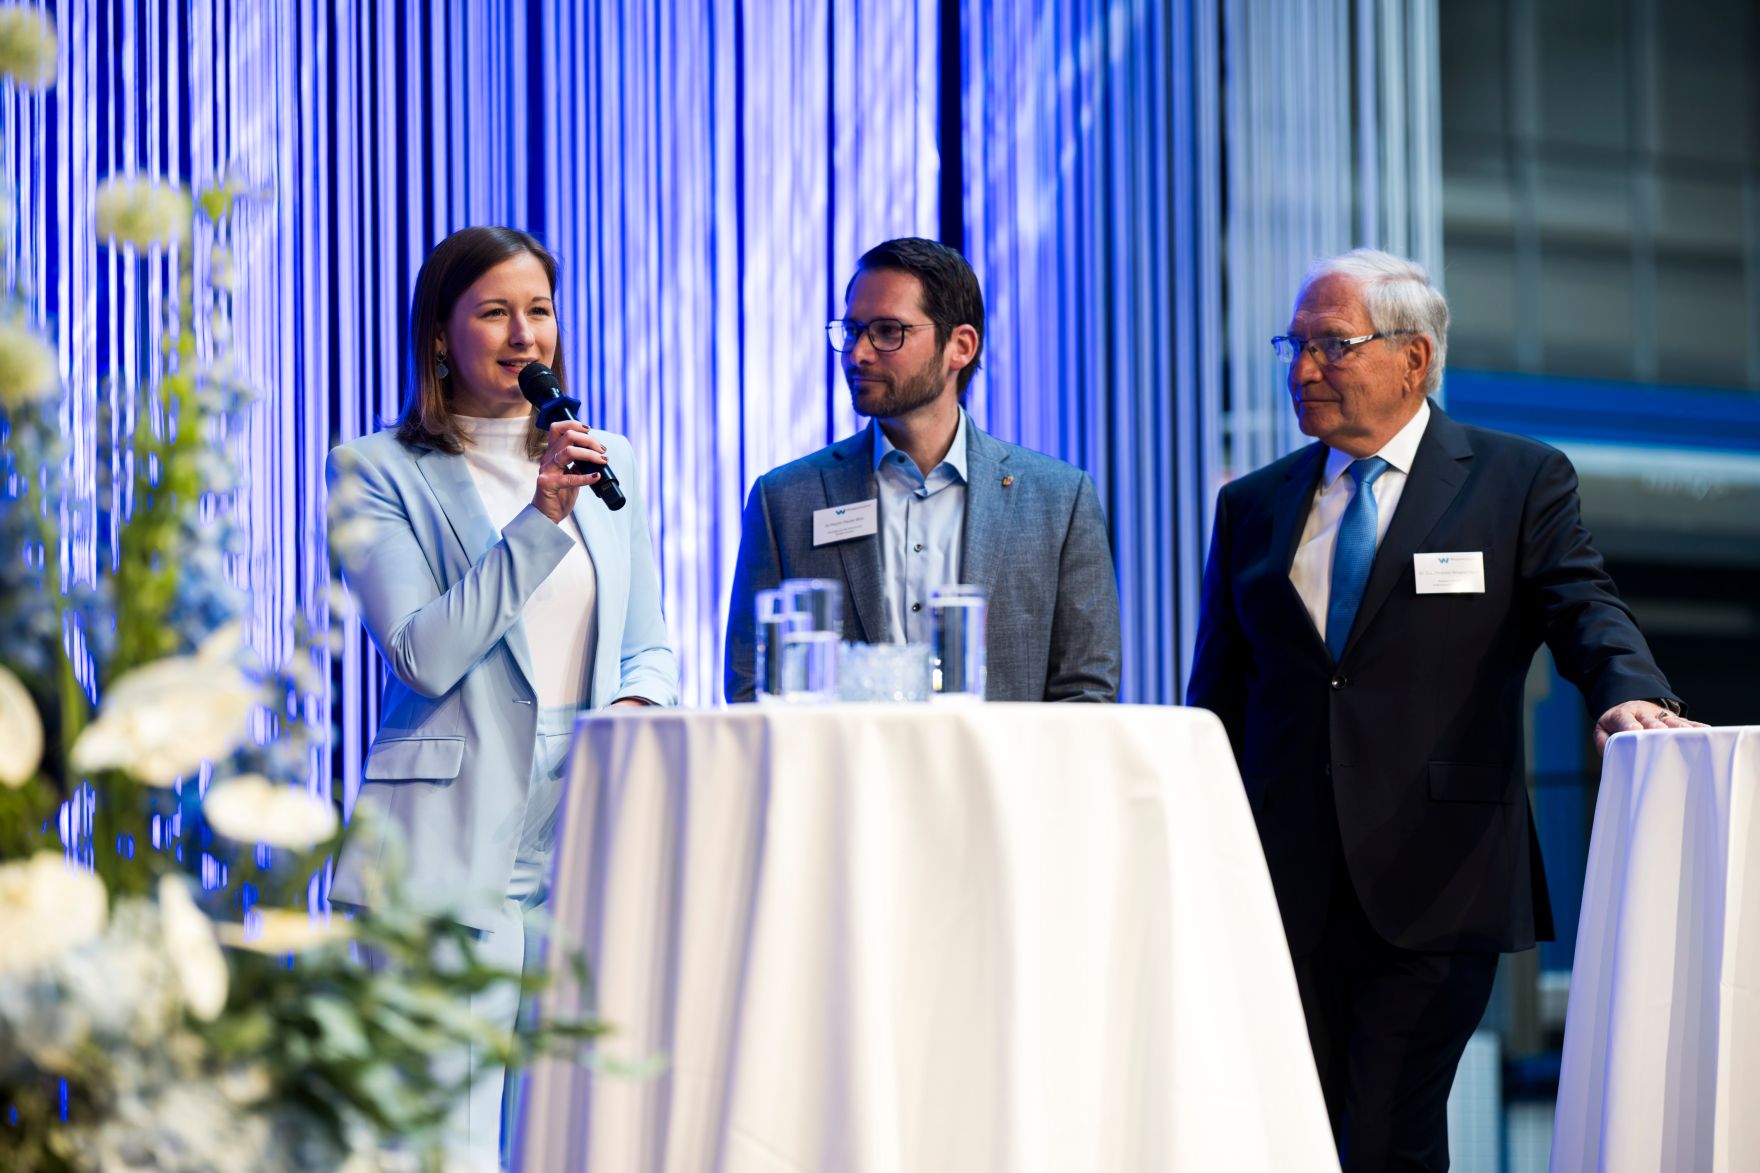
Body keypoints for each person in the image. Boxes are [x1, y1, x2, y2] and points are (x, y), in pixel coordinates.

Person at [1185, 248, 1700, 1171]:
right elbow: (1218, 695)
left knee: (1387, 1129)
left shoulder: (1516, 480)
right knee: (1292, 1133)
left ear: (1413, 358)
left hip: (1437, 874)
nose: (1302, 370)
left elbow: (1584, 603)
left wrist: (1630, 694)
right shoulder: (1251, 507)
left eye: (1330, 347)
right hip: (1279, 881)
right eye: (1292, 347)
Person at [326, 225, 678, 1167]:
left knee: (571, 1135)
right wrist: (540, 519)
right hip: (446, 836)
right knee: (440, 1143)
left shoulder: (612, 460)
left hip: (582, 826)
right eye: (495, 312)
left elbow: (646, 644)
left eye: (540, 311)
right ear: (441, 335)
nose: (526, 336)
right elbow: (423, 652)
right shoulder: (375, 469)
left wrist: (634, 720)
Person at [724, 236, 1122, 702]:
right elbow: (752, 687)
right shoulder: (786, 500)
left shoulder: (1058, 501)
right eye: (852, 330)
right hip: (840, 775)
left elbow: (1085, 694)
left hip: (1001, 776)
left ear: (961, 346)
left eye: (888, 331)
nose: (859, 354)